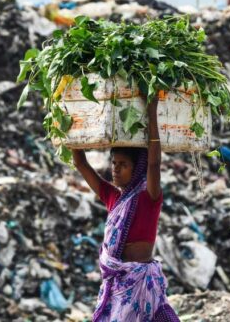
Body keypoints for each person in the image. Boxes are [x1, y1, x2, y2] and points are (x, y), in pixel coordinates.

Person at [72, 94, 180, 321]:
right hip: (118, 283)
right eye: (114, 163)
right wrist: (72, 120)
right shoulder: (113, 198)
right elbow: (81, 164)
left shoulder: (148, 197)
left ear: (137, 167)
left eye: (123, 165)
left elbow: (154, 162)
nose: (115, 170)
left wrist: (152, 109)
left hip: (140, 281)